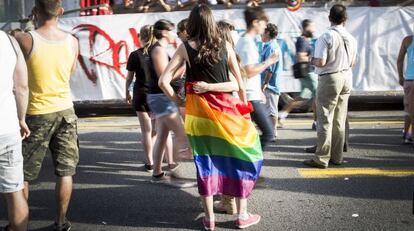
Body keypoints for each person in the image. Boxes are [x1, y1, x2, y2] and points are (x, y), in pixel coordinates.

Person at [159, 4, 264, 230]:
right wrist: (244, 110)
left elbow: (163, 81)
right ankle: (242, 215)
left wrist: (180, 101)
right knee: (242, 156)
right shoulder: (225, 45)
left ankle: (209, 220)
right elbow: (238, 83)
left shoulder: (185, 47)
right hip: (226, 112)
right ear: (211, 22)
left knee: (205, 163)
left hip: (198, 116)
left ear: (193, 23)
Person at [15, 1, 80, 230]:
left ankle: (20, 223)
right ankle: (61, 222)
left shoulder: (25, 39)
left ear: (35, 11)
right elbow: (70, 73)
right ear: (60, 11)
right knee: (65, 171)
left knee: (23, 174)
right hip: (65, 111)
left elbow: (17, 80)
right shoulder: (72, 41)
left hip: (35, 113)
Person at [304, 4, 357, 169]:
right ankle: (337, 156)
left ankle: (321, 158)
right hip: (347, 76)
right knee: (340, 119)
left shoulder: (326, 36)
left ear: (329, 18)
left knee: (325, 118)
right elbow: (353, 62)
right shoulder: (351, 37)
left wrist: (310, 60)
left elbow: (321, 61)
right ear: (345, 20)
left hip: (330, 77)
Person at [145, 19, 188, 182]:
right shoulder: (158, 50)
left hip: (158, 97)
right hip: (161, 97)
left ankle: (157, 173)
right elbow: (164, 77)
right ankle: (174, 173)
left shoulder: (158, 49)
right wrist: (182, 67)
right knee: (181, 134)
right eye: (171, 31)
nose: (174, 34)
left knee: (162, 135)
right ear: (163, 32)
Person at [235, 6, 279, 148]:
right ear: (255, 22)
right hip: (249, 97)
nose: (265, 26)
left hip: (250, 95)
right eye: (263, 23)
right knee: (268, 134)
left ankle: (245, 162)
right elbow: (248, 71)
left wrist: (259, 91)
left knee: (249, 133)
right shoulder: (247, 42)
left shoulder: (246, 40)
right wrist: (269, 62)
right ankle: (246, 162)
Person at [0, 30, 30, 231]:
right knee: (14, 190)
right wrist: (21, 118)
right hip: (7, 126)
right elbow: (21, 87)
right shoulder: (9, 40)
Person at [125, 25, 156, 172]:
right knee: (156, 130)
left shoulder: (134, 54)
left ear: (141, 37)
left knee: (146, 131)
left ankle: (150, 162)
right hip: (156, 93)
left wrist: (126, 92)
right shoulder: (159, 52)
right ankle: (160, 157)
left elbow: (129, 78)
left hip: (141, 93)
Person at [279, 19, 318, 129]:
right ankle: (316, 121)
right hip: (308, 72)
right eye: (312, 27)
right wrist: (315, 59)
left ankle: (282, 114)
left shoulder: (304, 40)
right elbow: (300, 57)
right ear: (306, 28)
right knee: (318, 95)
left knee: (301, 97)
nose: (314, 29)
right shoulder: (302, 41)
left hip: (307, 71)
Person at [261, 23, 282, 136]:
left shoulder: (271, 47)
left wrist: (265, 83)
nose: (261, 34)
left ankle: (273, 132)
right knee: (268, 109)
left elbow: (270, 69)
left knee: (272, 110)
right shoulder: (270, 46)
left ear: (268, 33)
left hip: (271, 84)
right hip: (270, 83)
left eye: (263, 32)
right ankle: (270, 131)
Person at [397, 33, 414, 145]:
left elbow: (400, 60)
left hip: (409, 79)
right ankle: (411, 135)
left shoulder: (408, 39)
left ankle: (406, 134)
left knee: (408, 107)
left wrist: (400, 76)